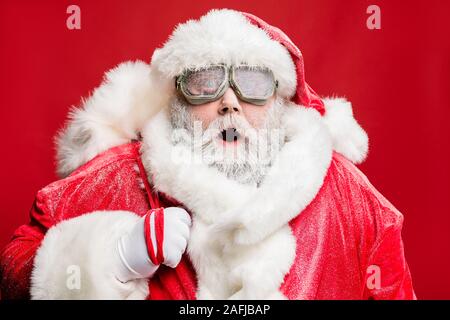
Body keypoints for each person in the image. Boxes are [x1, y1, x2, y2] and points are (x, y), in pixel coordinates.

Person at [0, 9, 415, 299]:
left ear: (280, 100)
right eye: (206, 83)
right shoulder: (116, 176)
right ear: (177, 99)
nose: (229, 104)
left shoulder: (351, 200)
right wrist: (114, 257)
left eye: (252, 84)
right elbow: (14, 272)